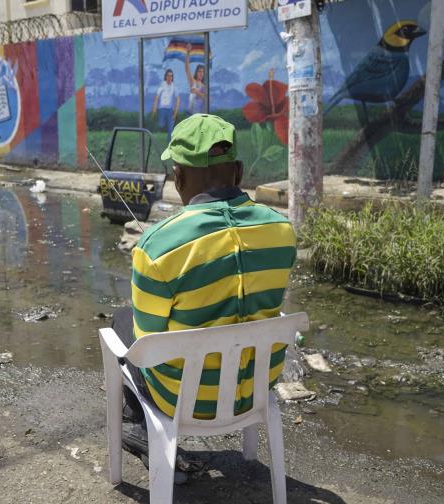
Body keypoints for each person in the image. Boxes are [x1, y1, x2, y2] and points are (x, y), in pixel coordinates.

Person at [111, 114, 298, 481]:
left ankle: (139, 428)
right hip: (257, 391)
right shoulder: (281, 229)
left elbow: (149, 342)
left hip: (182, 401)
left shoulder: (156, 246)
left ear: (177, 177)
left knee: (122, 321)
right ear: (239, 172)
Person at [151, 69, 179, 143]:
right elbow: (157, 97)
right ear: (165, 76)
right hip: (162, 109)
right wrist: (154, 108)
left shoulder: (174, 86)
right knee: (161, 125)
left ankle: (169, 143)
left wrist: (175, 112)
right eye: (168, 75)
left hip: (169, 109)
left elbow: (178, 99)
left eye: (171, 76)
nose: (169, 77)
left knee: (171, 127)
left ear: (172, 77)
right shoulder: (162, 85)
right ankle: (156, 137)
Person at [184, 43, 206, 115]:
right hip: (191, 113)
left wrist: (197, 92)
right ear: (196, 72)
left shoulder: (204, 86)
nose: (201, 73)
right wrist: (188, 53)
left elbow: (207, 98)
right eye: (199, 71)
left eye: (203, 72)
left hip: (200, 114)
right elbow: (187, 69)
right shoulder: (193, 82)